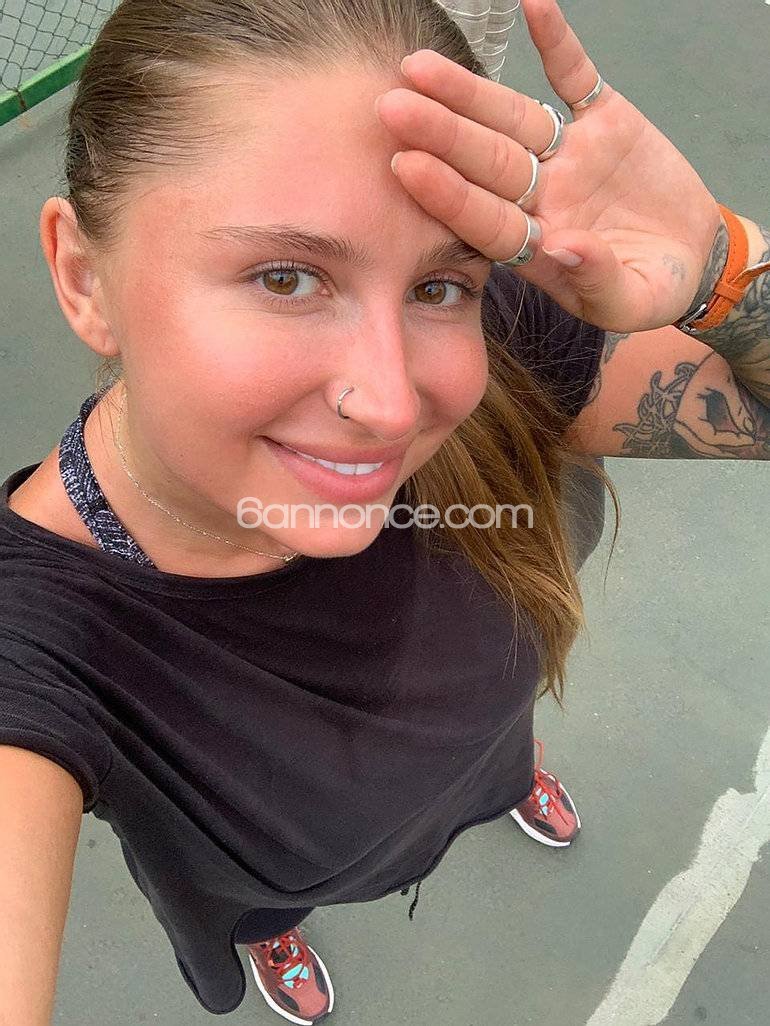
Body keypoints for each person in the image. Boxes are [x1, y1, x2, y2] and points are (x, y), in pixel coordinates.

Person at [0, 2, 767, 1025]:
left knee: (489, 737)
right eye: (286, 277)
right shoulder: (38, 651)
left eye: (439, 285)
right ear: (83, 276)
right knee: (272, 888)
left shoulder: (505, 343)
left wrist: (721, 269)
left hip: (481, 741)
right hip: (288, 869)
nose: (395, 405)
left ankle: (500, 779)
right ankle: (275, 928)